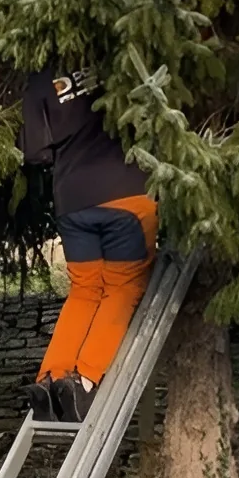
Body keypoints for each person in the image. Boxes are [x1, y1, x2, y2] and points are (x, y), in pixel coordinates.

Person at [20, 68, 158, 422]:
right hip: (127, 192)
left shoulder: (39, 80)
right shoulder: (117, 58)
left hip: (73, 201)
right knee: (123, 287)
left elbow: (35, 153)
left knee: (84, 290)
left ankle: (49, 378)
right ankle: (84, 380)